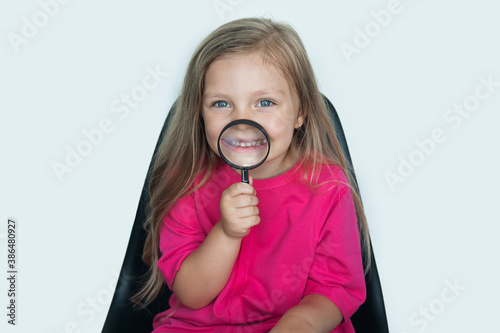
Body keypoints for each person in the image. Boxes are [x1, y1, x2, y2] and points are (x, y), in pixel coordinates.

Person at [132, 17, 370, 333]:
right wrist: (227, 233)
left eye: (264, 102)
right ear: (199, 114)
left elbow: (336, 288)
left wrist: (297, 324)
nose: (242, 120)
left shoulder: (327, 187)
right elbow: (191, 293)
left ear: (300, 113)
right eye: (221, 103)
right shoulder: (188, 181)